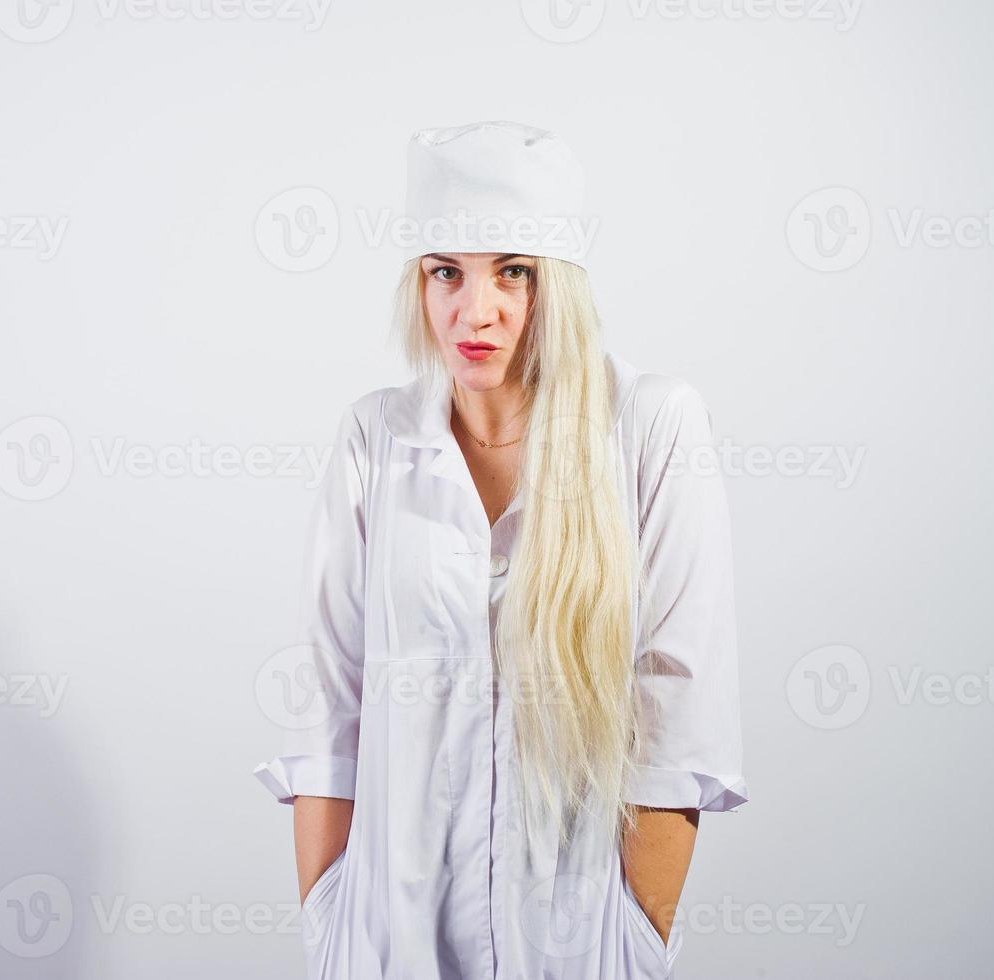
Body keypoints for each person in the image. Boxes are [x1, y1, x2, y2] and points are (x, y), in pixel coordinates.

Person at [252, 119, 748, 980]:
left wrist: (637, 936)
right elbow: (328, 700)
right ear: (418, 282)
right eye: (446, 271)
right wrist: (327, 919)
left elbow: (678, 699)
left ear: (556, 285)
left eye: (510, 273)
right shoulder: (376, 436)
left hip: (578, 936)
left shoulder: (649, 426)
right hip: (383, 938)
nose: (472, 312)